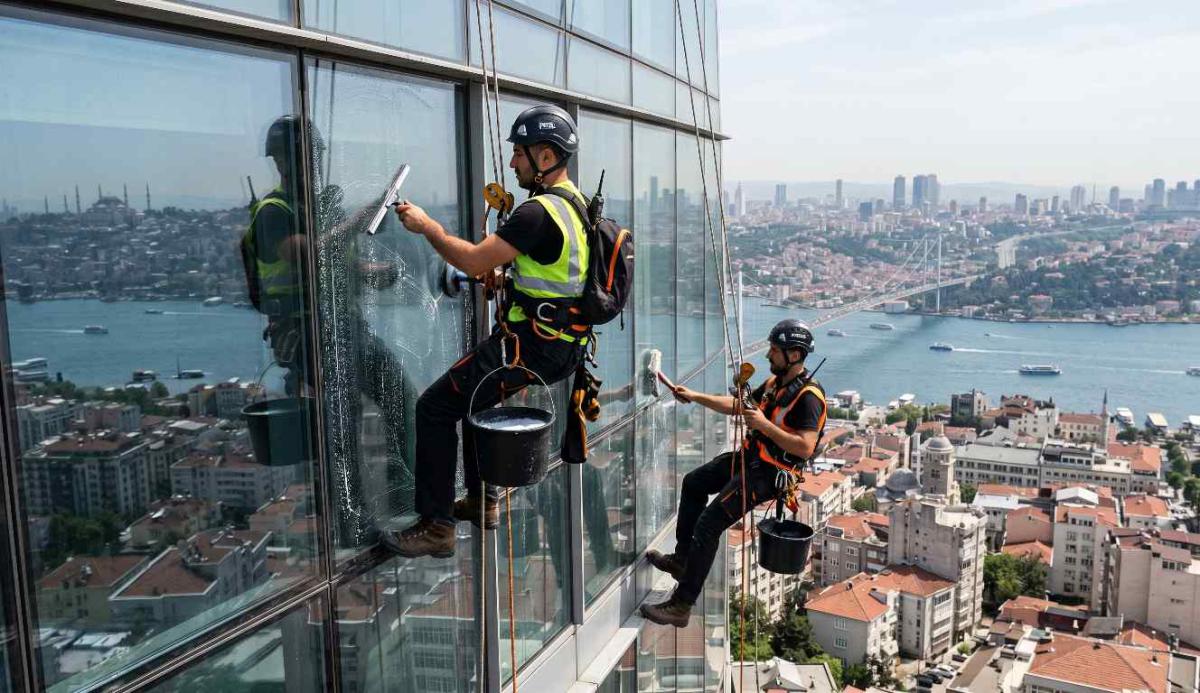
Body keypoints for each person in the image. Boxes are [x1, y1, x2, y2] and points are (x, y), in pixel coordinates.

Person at [383, 104, 591, 558]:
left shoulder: (537, 213)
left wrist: (428, 227)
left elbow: (473, 260)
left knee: (434, 407)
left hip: (531, 347)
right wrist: (513, 284)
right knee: (474, 397)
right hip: (562, 345)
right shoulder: (576, 206)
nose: (513, 162)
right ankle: (483, 499)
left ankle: (437, 526)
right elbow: (558, 276)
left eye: (520, 153)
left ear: (545, 156)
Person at [241, 115, 414, 548]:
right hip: (306, 335)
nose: (314, 164)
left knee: (399, 397)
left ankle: (403, 496)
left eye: (315, 156)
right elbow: (309, 256)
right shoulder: (274, 213)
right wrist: (360, 218)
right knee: (343, 424)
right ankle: (352, 523)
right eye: (306, 156)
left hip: (341, 328)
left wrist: (375, 273)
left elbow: (337, 267)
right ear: (282, 162)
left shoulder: (313, 211)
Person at [639, 319, 827, 627]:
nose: (768, 355)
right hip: (750, 459)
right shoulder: (776, 384)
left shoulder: (808, 397)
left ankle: (682, 605)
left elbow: (805, 447)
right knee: (694, 483)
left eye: (774, 350)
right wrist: (696, 396)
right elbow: (740, 405)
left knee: (709, 524)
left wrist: (764, 425)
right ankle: (682, 560)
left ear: (794, 355)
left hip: (768, 474)